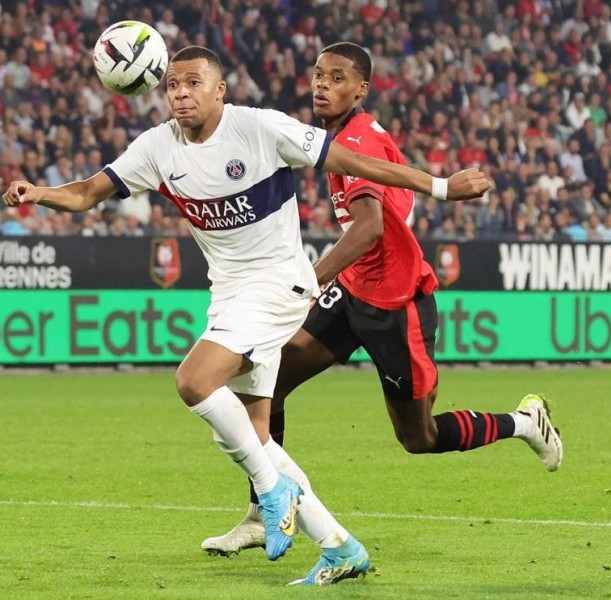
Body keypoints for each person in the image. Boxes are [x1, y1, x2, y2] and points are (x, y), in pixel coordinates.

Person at [3, 46, 491, 586]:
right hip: (230, 292)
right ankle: (338, 546)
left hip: (282, 284)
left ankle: (270, 492)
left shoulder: (261, 128)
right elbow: (89, 193)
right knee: (252, 431)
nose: (181, 94)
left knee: (195, 381)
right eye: (172, 87)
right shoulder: (158, 147)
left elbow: (354, 161)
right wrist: (40, 193)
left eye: (192, 84)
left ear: (221, 90)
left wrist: (442, 187)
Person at [202, 43, 563, 558]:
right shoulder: (348, 137)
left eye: (337, 77)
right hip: (352, 293)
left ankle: (525, 422)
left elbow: (369, 227)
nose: (321, 84)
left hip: (397, 306)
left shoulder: (356, 140)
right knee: (265, 385)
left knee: (419, 436)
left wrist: (308, 282)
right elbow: (396, 206)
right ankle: (264, 510)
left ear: (361, 89)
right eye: (318, 74)